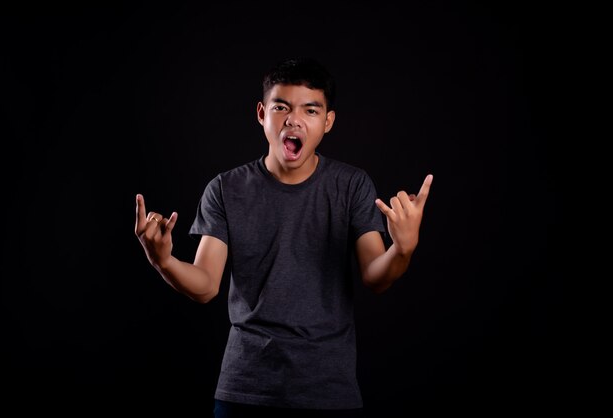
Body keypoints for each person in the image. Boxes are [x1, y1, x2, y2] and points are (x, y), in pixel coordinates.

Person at [135, 57, 433, 418]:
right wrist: (163, 261)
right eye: (281, 107)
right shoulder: (225, 189)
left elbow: (375, 275)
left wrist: (404, 247)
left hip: (329, 393)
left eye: (310, 110)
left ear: (328, 122)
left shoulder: (351, 185)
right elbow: (206, 285)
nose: (293, 119)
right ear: (262, 114)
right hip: (244, 391)